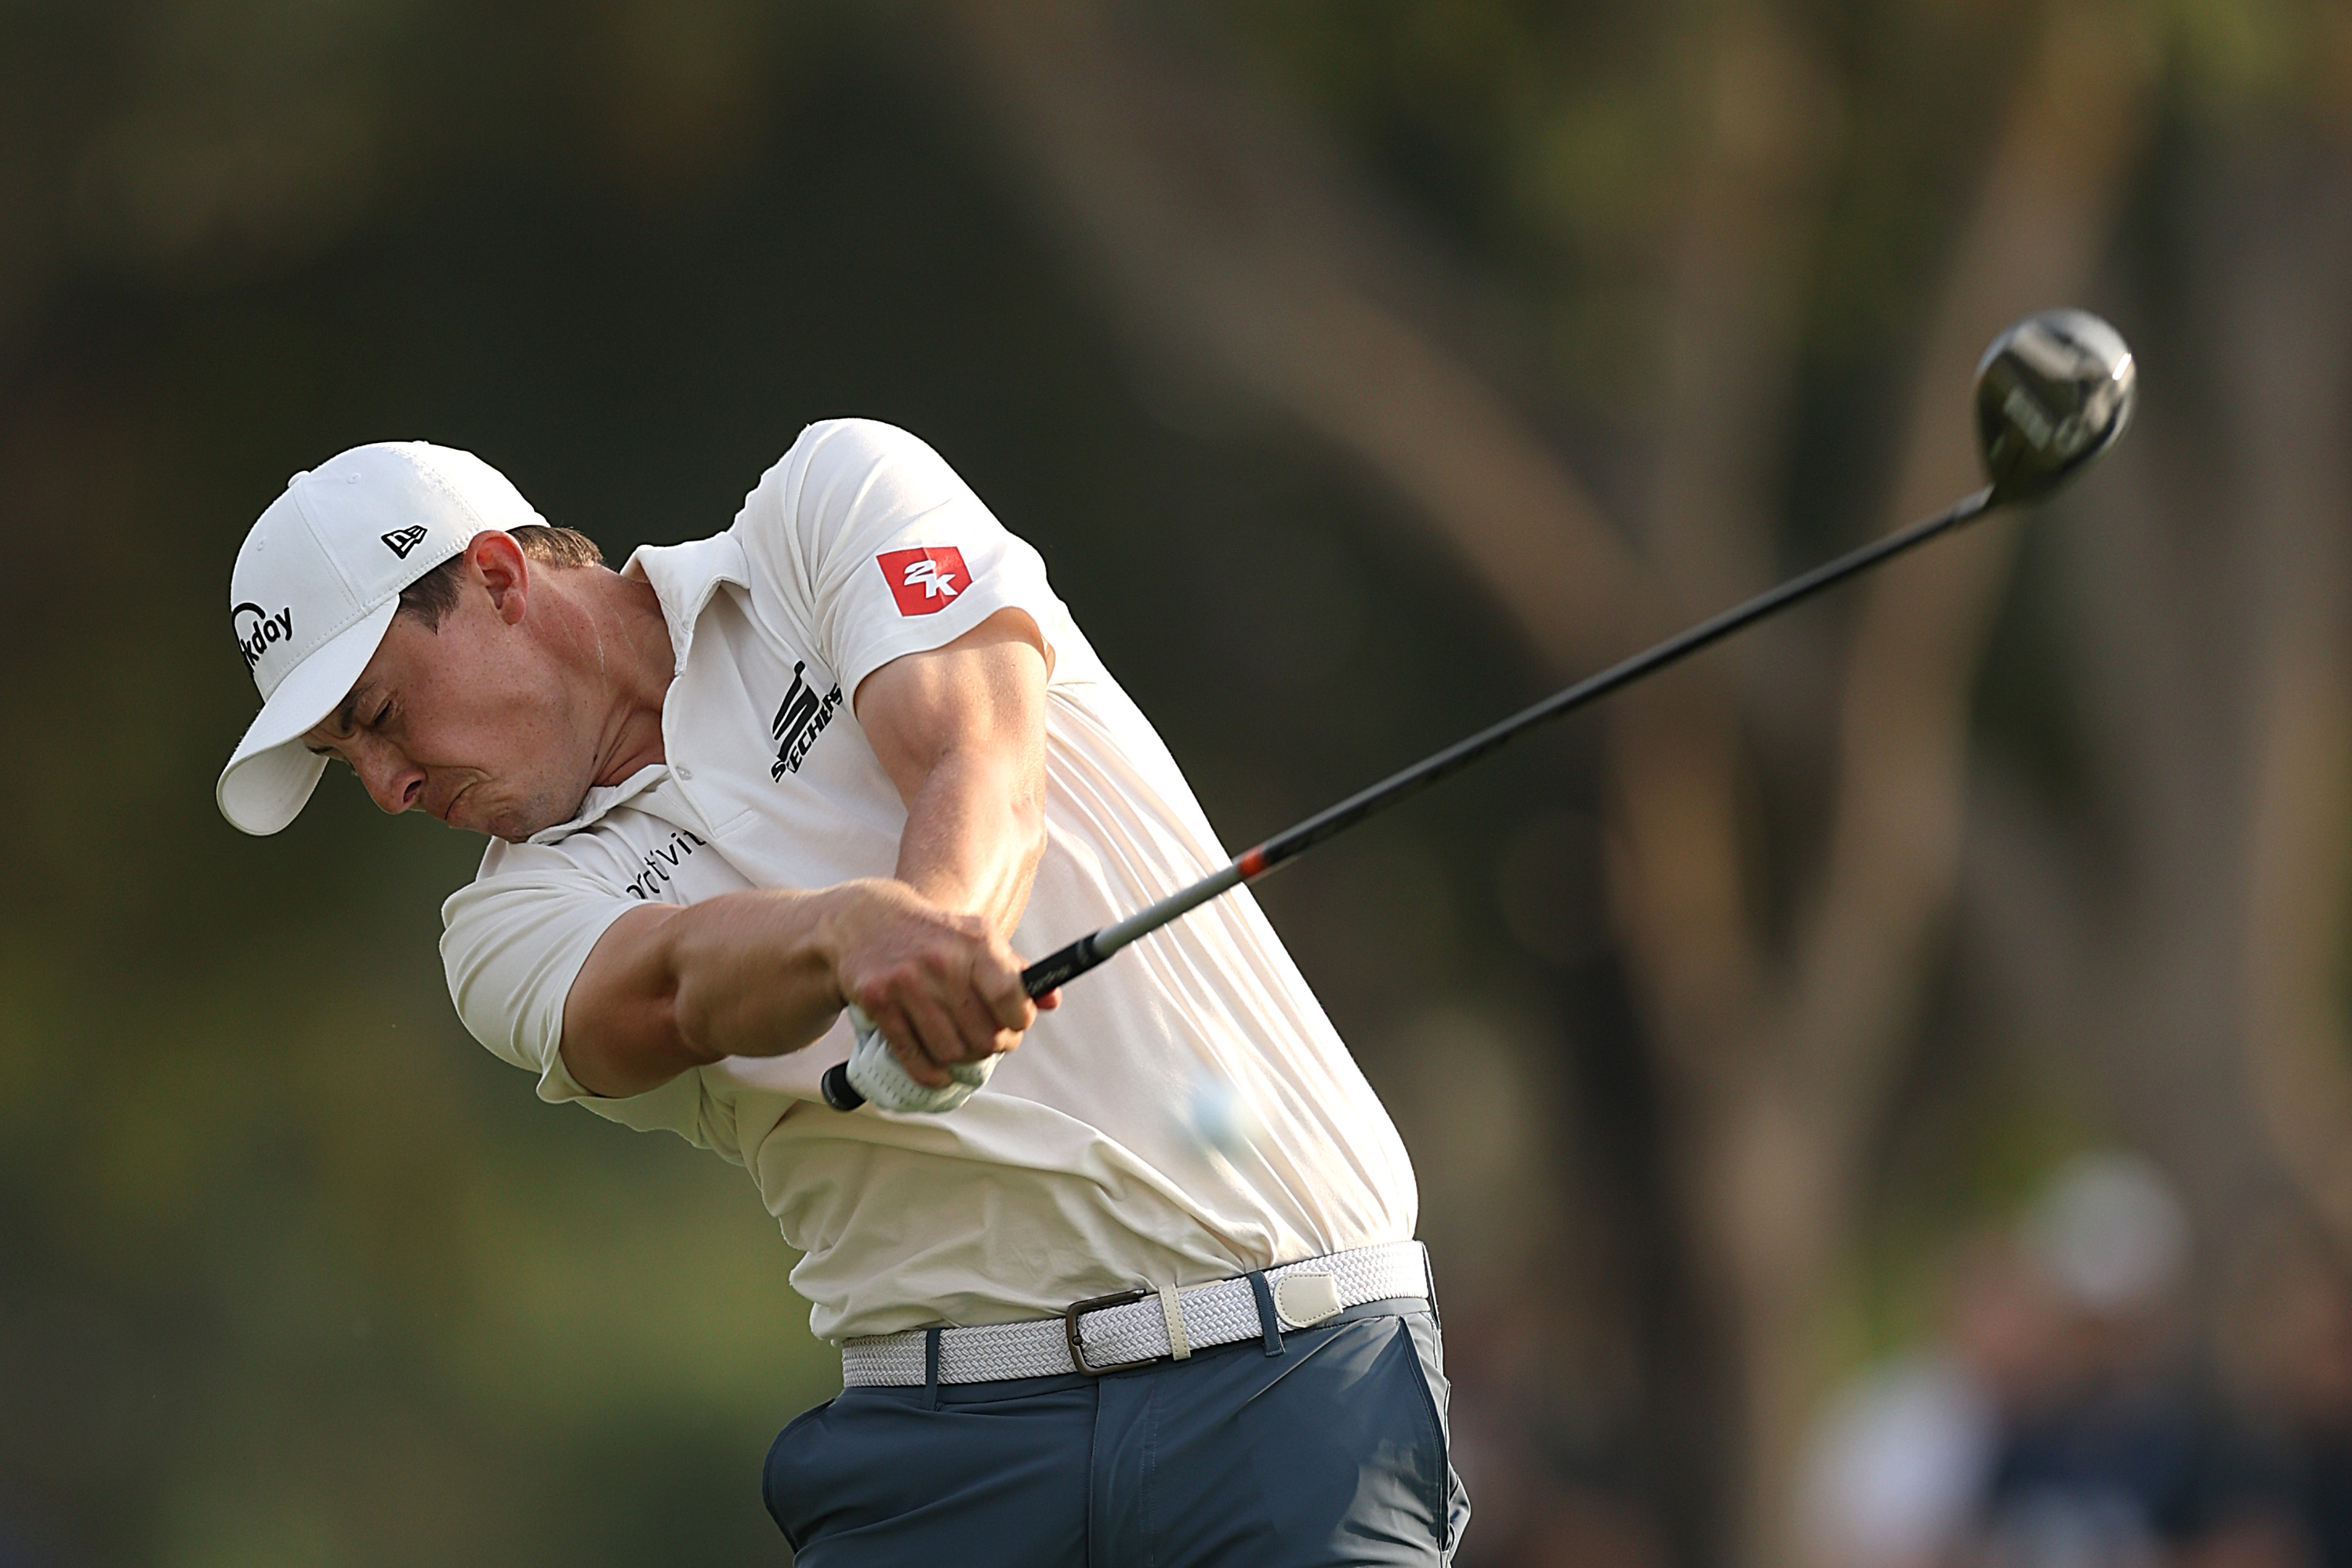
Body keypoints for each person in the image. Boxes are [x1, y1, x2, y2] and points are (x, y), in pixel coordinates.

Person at [215, 422, 1466, 1565]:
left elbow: (980, 758)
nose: (386, 786)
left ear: (496, 577)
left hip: (1293, 1378)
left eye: (380, 715)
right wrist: (846, 939)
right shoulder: (500, 928)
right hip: (949, 1454)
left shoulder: (829, 506)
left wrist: (934, 932)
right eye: (345, 755)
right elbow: (673, 989)